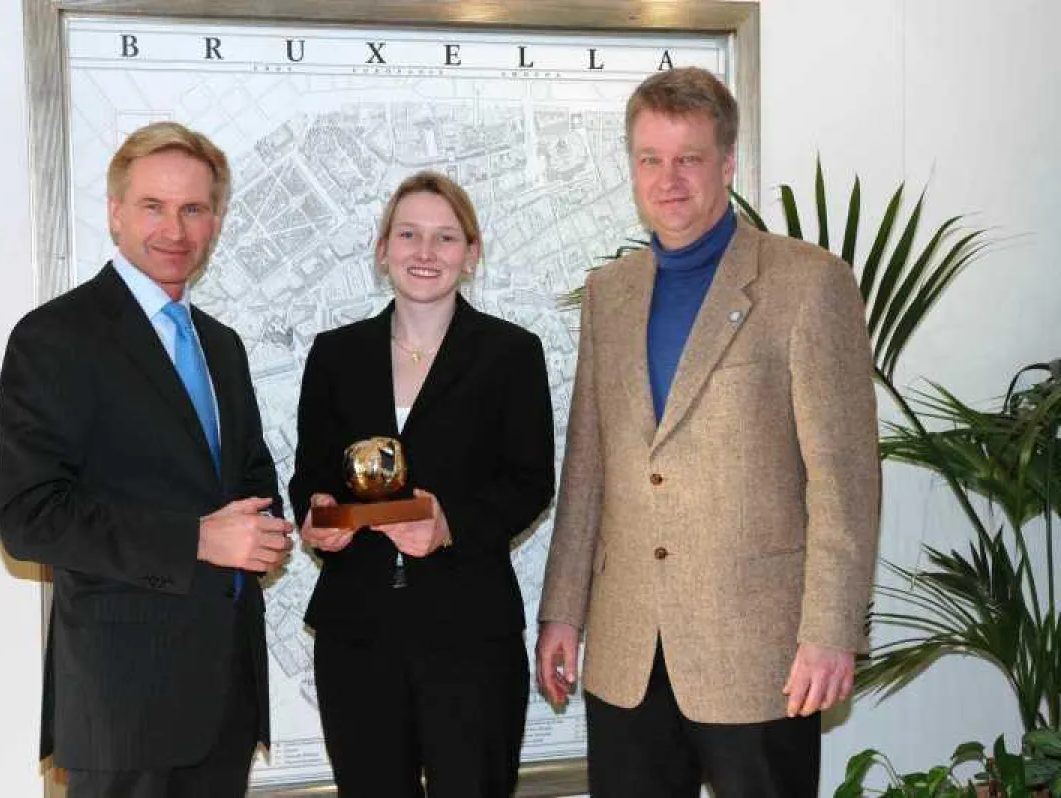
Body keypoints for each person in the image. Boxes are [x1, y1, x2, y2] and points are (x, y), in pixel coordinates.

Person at [536, 67, 881, 797]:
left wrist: (830, 631)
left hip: (760, 654)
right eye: (650, 160)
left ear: (726, 164)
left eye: (689, 158)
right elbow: (589, 467)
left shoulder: (807, 283)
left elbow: (844, 478)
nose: (669, 180)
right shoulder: (609, 293)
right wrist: (562, 611)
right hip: (628, 651)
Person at [0, 121, 294, 798]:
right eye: (153, 207)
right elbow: (29, 517)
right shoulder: (54, 338)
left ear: (215, 221)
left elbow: (248, 480)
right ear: (115, 213)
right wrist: (199, 539)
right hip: (123, 703)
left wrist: (267, 532)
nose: (174, 230)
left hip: (226, 699)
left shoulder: (222, 346)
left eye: (193, 209)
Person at [289, 170, 556, 797]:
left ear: (472, 253)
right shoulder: (335, 353)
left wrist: (449, 524)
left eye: (445, 238)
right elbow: (311, 474)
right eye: (408, 234)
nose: (425, 252)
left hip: (470, 632)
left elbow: (530, 481)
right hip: (357, 633)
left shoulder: (512, 353)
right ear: (383, 250)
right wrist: (317, 512)